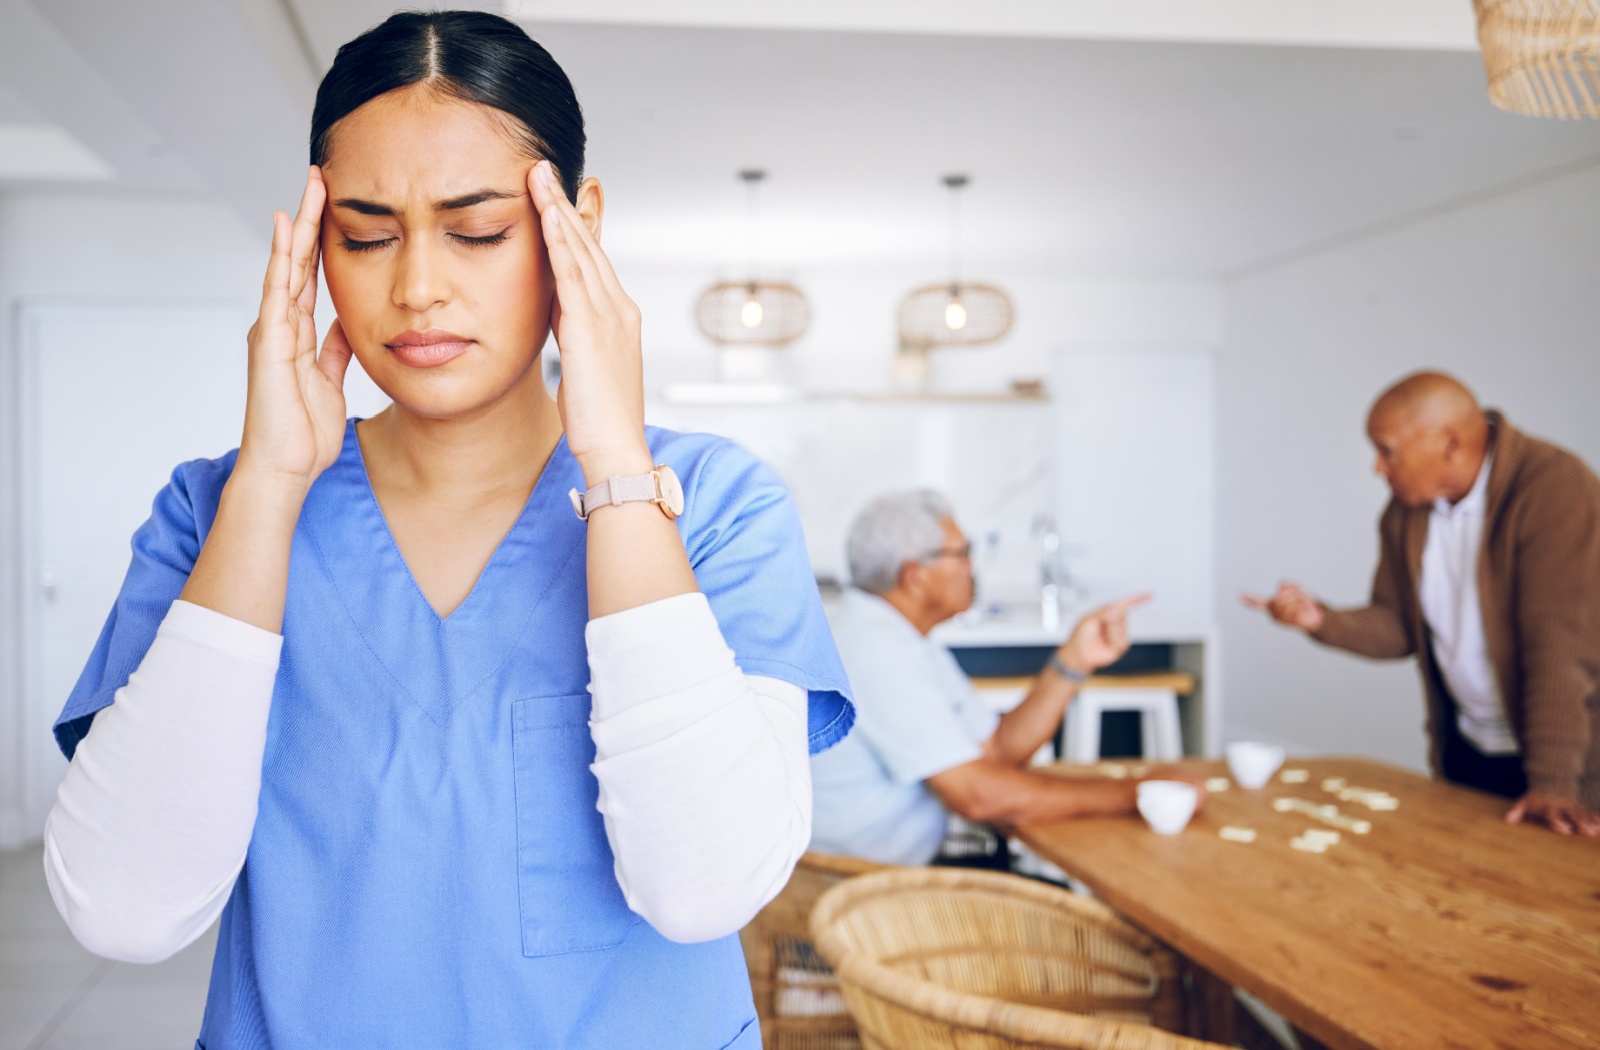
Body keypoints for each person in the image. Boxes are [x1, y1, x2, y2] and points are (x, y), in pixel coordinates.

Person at [41, 12, 853, 1048]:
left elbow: (701, 890)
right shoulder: (214, 511)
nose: (417, 286)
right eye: (366, 235)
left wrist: (614, 470)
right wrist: (271, 485)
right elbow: (124, 910)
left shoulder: (720, 504)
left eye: (476, 231)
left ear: (577, 227)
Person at [1244, 371, 1600, 836]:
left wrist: (1553, 785)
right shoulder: (1406, 510)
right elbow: (1399, 625)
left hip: (1569, 768)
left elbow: (1560, 649)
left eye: (1386, 450)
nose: (1377, 467)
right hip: (1469, 754)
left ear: (1449, 443)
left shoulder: (1555, 489)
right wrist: (1320, 619)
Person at [810, 490, 1197, 867]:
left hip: (892, 874)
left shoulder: (903, 639)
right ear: (915, 576)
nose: (972, 568)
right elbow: (978, 797)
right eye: (961, 554)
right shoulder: (876, 650)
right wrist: (1137, 793)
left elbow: (997, 750)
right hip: (857, 895)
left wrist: (1073, 661)